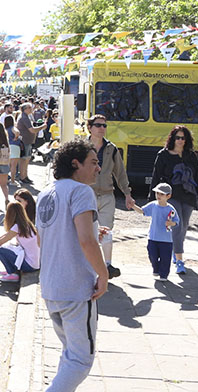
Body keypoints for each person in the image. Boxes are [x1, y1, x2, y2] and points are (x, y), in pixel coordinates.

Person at [36, 139, 108, 392]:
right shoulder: (81, 192)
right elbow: (86, 240)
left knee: (70, 354)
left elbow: (45, 238)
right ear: (76, 164)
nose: (98, 168)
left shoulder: (46, 192)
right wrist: (103, 274)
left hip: (51, 287)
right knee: (80, 360)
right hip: (76, 288)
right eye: (94, 162)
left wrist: (93, 233)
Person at [150, 125, 198, 275]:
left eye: (183, 138)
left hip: (188, 195)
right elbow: (156, 176)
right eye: (178, 138)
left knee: (184, 225)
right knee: (177, 224)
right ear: (172, 139)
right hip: (171, 195)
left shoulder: (191, 155)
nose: (180, 140)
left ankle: (176, 251)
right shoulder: (163, 155)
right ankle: (180, 260)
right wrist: (152, 197)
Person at [85, 114, 135, 280]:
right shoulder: (82, 147)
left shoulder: (111, 149)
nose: (102, 129)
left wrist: (127, 194)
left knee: (106, 231)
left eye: (104, 126)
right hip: (87, 194)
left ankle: (107, 266)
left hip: (107, 195)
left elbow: (120, 173)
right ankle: (88, 265)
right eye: (98, 125)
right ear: (90, 128)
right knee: (88, 232)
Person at [130, 183, 179, 282]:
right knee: (152, 255)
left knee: (165, 258)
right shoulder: (153, 205)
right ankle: (156, 269)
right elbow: (142, 211)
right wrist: (133, 206)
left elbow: (177, 222)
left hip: (166, 239)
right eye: (157, 193)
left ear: (168, 196)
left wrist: (171, 223)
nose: (158, 196)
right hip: (153, 237)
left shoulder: (171, 209)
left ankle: (164, 275)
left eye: (162, 194)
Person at [15, 103, 44, 185]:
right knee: (24, 159)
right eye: (30, 107)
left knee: (26, 159)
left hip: (27, 141)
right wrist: (42, 127)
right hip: (25, 141)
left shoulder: (26, 116)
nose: (32, 109)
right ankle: (23, 177)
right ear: (25, 109)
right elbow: (32, 130)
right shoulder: (24, 117)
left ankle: (25, 176)